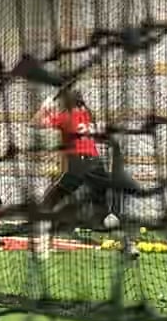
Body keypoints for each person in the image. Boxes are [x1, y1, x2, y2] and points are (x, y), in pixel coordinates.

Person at [39, 88, 115, 228]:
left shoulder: (66, 117)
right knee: (100, 198)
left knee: (56, 194)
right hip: (96, 161)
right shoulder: (87, 114)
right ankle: (102, 223)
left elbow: (38, 123)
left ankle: (40, 219)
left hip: (79, 162)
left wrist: (45, 107)